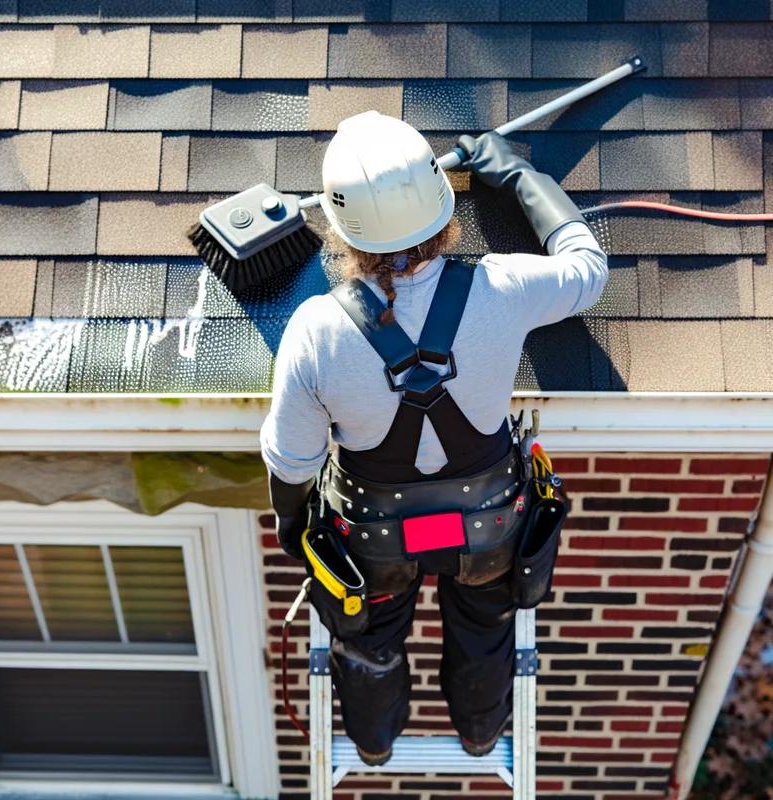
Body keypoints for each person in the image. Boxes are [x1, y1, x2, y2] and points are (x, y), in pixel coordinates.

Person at [260, 111, 608, 766]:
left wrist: (294, 529)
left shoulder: (315, 331)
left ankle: (374, 743)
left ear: (343, 232)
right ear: (442, 210)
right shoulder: (503, 288)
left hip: (374, 542)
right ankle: (480, 735)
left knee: (369, 646)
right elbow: (588, 269)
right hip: (487, 530)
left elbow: (292, 462)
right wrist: (517, 175)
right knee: (483, 632)